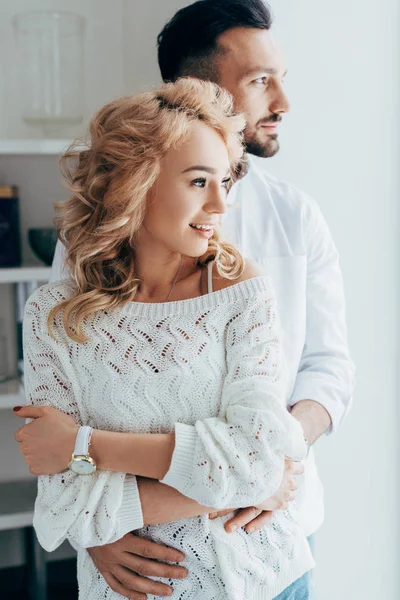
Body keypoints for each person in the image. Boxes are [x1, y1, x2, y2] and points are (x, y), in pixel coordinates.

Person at [17, 1, 355, 598]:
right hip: (132, 569)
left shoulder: (292, 223)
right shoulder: (73, 283)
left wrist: (279, 457)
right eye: (259, 81)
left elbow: (328, 368)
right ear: (194, 91)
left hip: (267, 538)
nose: (282, 102)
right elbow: (55, 463)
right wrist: (97, 527)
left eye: (223, 181)